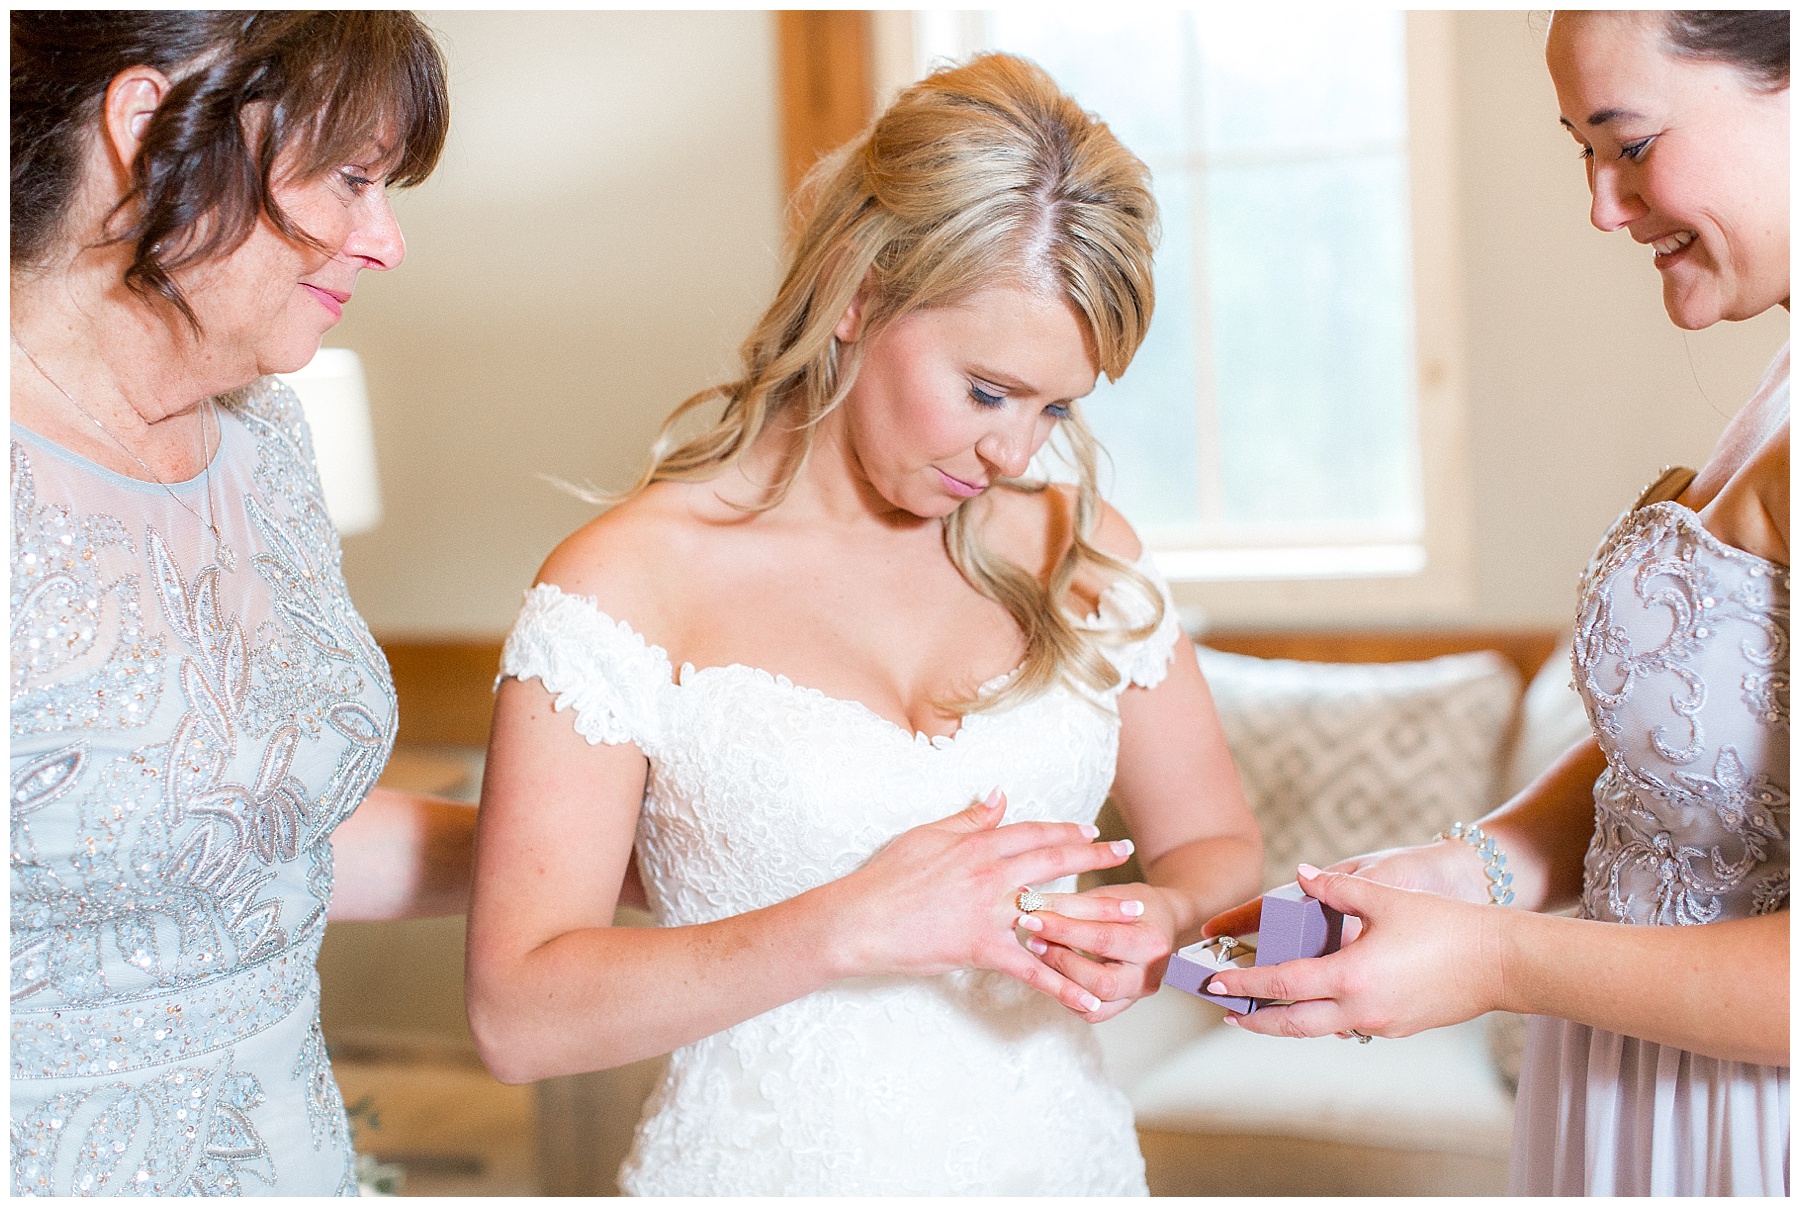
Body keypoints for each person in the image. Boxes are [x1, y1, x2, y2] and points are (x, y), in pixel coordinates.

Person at [466, 53, 1261, 1195]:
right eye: (986, 391)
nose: (1015, 455)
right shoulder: (627, 588)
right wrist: (844, 925)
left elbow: (1217, 848)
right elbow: (518, 1015)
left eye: (1056, 407)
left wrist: (1167, 920)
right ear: (855, 291)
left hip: (1059, 1164)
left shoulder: (1084, 551)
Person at [1200, 10, 1788, 1195]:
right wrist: (1479, 868)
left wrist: (1495, 958)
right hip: (1642, 1086)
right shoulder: (1782, 377)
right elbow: (1701, 755)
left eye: (1628, 143)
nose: (1602, 206)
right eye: (1582, 149)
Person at [10, 12, 475, 1196]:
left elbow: (248, 837)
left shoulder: (264, 439)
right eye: (351, 178)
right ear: (147, 125)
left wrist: (601, 852)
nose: (387, 241)